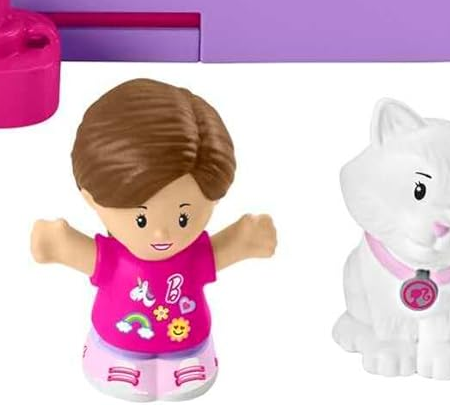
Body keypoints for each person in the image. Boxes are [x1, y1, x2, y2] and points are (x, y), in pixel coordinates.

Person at [31, 79, 277, 400]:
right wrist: (58, 244)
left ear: (214, 199)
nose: (162, 234)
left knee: (188, 369)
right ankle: (122, 363)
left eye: (183, 218)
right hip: (118, 340)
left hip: (187, 340)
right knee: (121, 365)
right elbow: (82, 253)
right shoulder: (115, 257)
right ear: (92, 198)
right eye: (142, 219)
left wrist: (246, 239)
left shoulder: (193, 255)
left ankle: (183, 364)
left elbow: (224, 249)